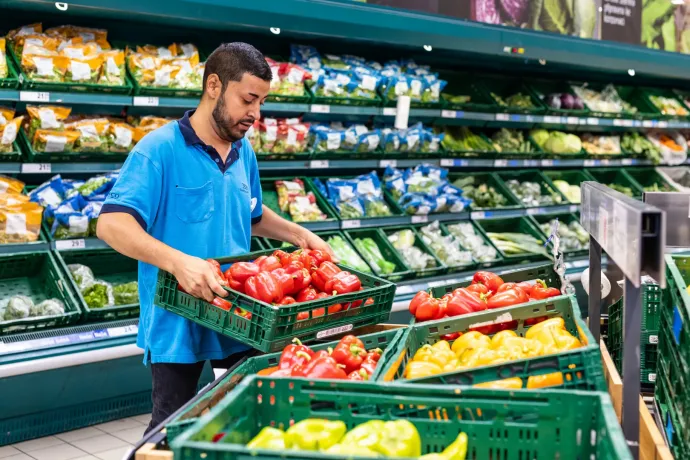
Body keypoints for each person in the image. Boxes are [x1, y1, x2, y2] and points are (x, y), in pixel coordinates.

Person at [97, 42, 334, 433]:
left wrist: (297, 233)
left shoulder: (244, 152)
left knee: (243, 421)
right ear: (213, 86)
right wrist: (178, 261)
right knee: (171, 429)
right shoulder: (159, 150)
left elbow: (252, 214)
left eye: (261, 103)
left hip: (241, 314)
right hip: (176, 320)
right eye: (248, 100)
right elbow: (111, 224)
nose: (256, 114)